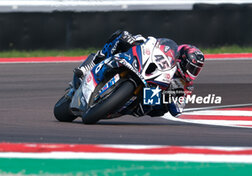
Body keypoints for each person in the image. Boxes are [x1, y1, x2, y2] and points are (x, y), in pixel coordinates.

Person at [73, 30, 205, 117]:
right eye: (192, 68)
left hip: (146, 105)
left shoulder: (186, 85)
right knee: (122, 35)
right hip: (143, 69)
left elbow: (177, 111)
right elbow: (153, 44)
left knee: (160, 107)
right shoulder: (169, 52)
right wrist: (137, 41)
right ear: (181, 60)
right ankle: (94, 62)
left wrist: (171, 95)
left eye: (196, 70)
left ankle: (119, 105)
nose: (192, 73)